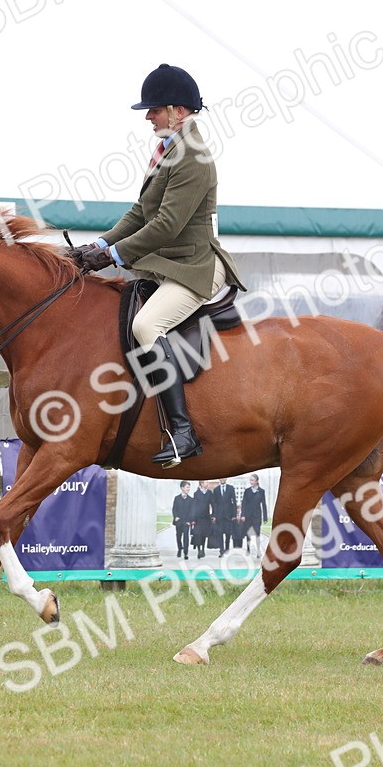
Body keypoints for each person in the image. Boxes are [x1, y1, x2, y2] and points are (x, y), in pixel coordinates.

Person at [69, 64, 247, 468]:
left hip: (195, 266)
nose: (148, 117)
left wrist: (113, 257)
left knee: (146, 326)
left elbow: (166, 225)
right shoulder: (168, 150)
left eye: (154, 110)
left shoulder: (194, 159)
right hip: (170, 263)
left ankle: (183, 432)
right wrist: (97, 245)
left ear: (178, 111)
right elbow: (139, 213)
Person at [240, 473, 268, 556]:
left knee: (257, 533)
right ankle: (248, 549)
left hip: (257, 516)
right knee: (248, 533)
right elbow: (243, 503)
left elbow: (263, 504)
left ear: (257, 481)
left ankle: (258, 550)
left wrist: (265, 517)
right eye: (250, 480)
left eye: (252, 480)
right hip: (248, 516)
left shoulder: (261, 491)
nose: (250, 482)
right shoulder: (247, 491)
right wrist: (243, 515)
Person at [211, 478, 238, 557]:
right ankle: (221, 551)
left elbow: (234, 502)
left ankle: (226, 549)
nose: (222, 479)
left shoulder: (231, 488)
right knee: (219, 534)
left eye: (224, 478)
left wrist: (234, 515)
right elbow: (214, 504)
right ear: (219, 479)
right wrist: (214, 515)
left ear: (226, 479)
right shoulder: (216, 490)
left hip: (228, 516)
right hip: (219, 516)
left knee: (228, 534)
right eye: (221, 478)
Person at [171, 481, 197, 560]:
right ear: (182, 488)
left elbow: (192, 511)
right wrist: (175, 516)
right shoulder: (177, 498)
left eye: (189, 487)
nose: (188, 489)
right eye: (187, 487)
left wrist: (189, 520)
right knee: (178, 536)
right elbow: (174, 509)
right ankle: (179, 549)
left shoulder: (191, 499)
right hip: (178, 521)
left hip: (186, 521)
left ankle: (186, 553)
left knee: (186, 537)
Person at [192, 480, 214, 559]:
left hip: (206, 517)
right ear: (201, 484)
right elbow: (194, 506)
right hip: (198, 518)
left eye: (207, 482)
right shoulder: (196, 493)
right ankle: (199, 550)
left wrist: (213, 515)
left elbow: (212, 504)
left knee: (204, 534)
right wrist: (193, 518)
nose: (207, 483)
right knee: (198, 535)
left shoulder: (209, 493)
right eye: (206, 482)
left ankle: (203, 549)